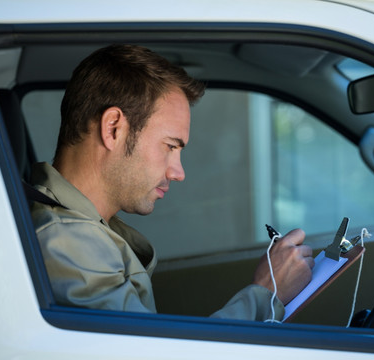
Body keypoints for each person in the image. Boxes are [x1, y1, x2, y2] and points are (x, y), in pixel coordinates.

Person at [30, 44, 315, 321]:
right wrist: (267, 292)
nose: (178, 173)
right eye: (170, 147)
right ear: (113, 129)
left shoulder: (84, 231)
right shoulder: (67, 244)